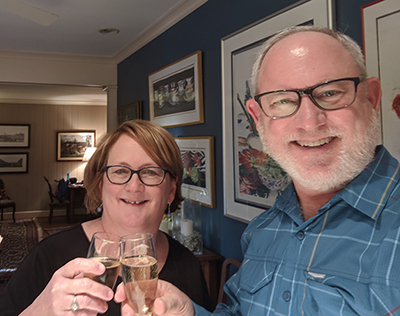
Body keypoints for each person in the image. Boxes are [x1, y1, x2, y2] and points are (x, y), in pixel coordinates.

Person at [116, 26, 400, 316]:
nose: (309, 122)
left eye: (330, 93)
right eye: (283, 101)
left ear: (372, 98)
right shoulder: (263, 230)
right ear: (257, 118)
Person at [0, 120, 211, 315]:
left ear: (171, 191)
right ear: (101, 186)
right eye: (120, 171)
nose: (134, 186)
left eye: (151, 172)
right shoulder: (48, 257)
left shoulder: (189, 265)